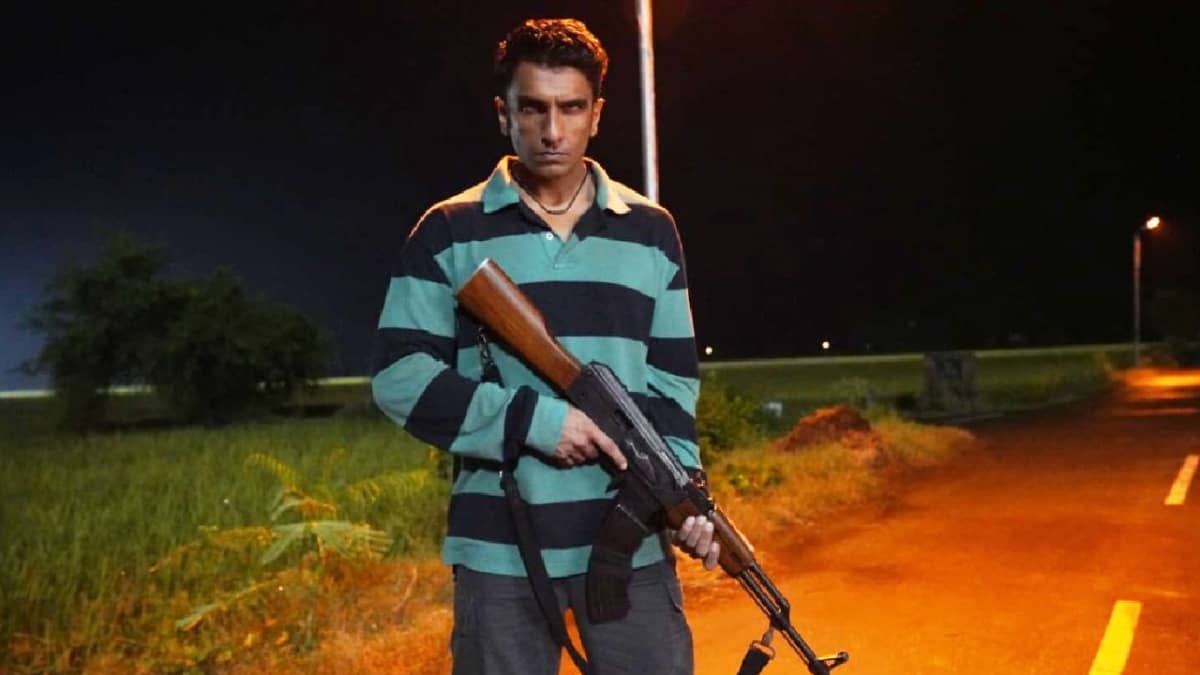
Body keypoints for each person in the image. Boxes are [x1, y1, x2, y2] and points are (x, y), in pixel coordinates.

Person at [371, 18, 716, 675]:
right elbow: (399, 377)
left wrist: (685, 494)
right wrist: (536, 423)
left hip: (633, 548)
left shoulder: (651, 231)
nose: (552, 131)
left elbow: (673, 385)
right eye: (533, 108)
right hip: (498, 551)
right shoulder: (449, 230)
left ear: (597, 115)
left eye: (571, 108)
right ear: (504, 114)